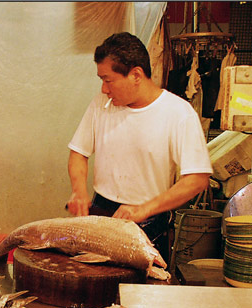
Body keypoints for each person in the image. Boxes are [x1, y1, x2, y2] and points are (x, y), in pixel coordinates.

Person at [66, 32, 212, 263]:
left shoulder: (178, 113)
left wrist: (144, 209)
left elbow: (196, 179)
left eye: (108, 80)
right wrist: (79, 191)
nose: (104, 89)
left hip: (149, 218)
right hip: (101, 211)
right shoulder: (101, 105)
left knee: (142, 291)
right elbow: (78, 152)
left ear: (136, 75)